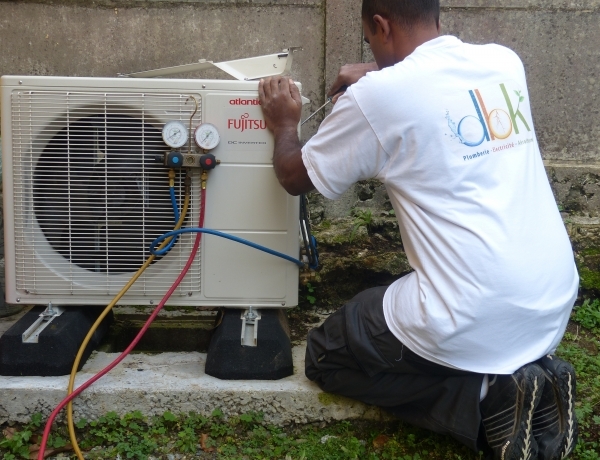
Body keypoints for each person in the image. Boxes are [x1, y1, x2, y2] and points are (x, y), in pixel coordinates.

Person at [258, 1, 579, 458]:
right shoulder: (504, 62)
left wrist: (285, 122)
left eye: (369, 39)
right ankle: (523, 379)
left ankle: (486, 400)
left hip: (472, 314)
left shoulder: (378, 98)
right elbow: (429, 79)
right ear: (436, 16)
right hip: (550, 303)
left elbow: (294, 175)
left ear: (380, 25)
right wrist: (381, 71)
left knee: (327, 352)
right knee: (408, 310)